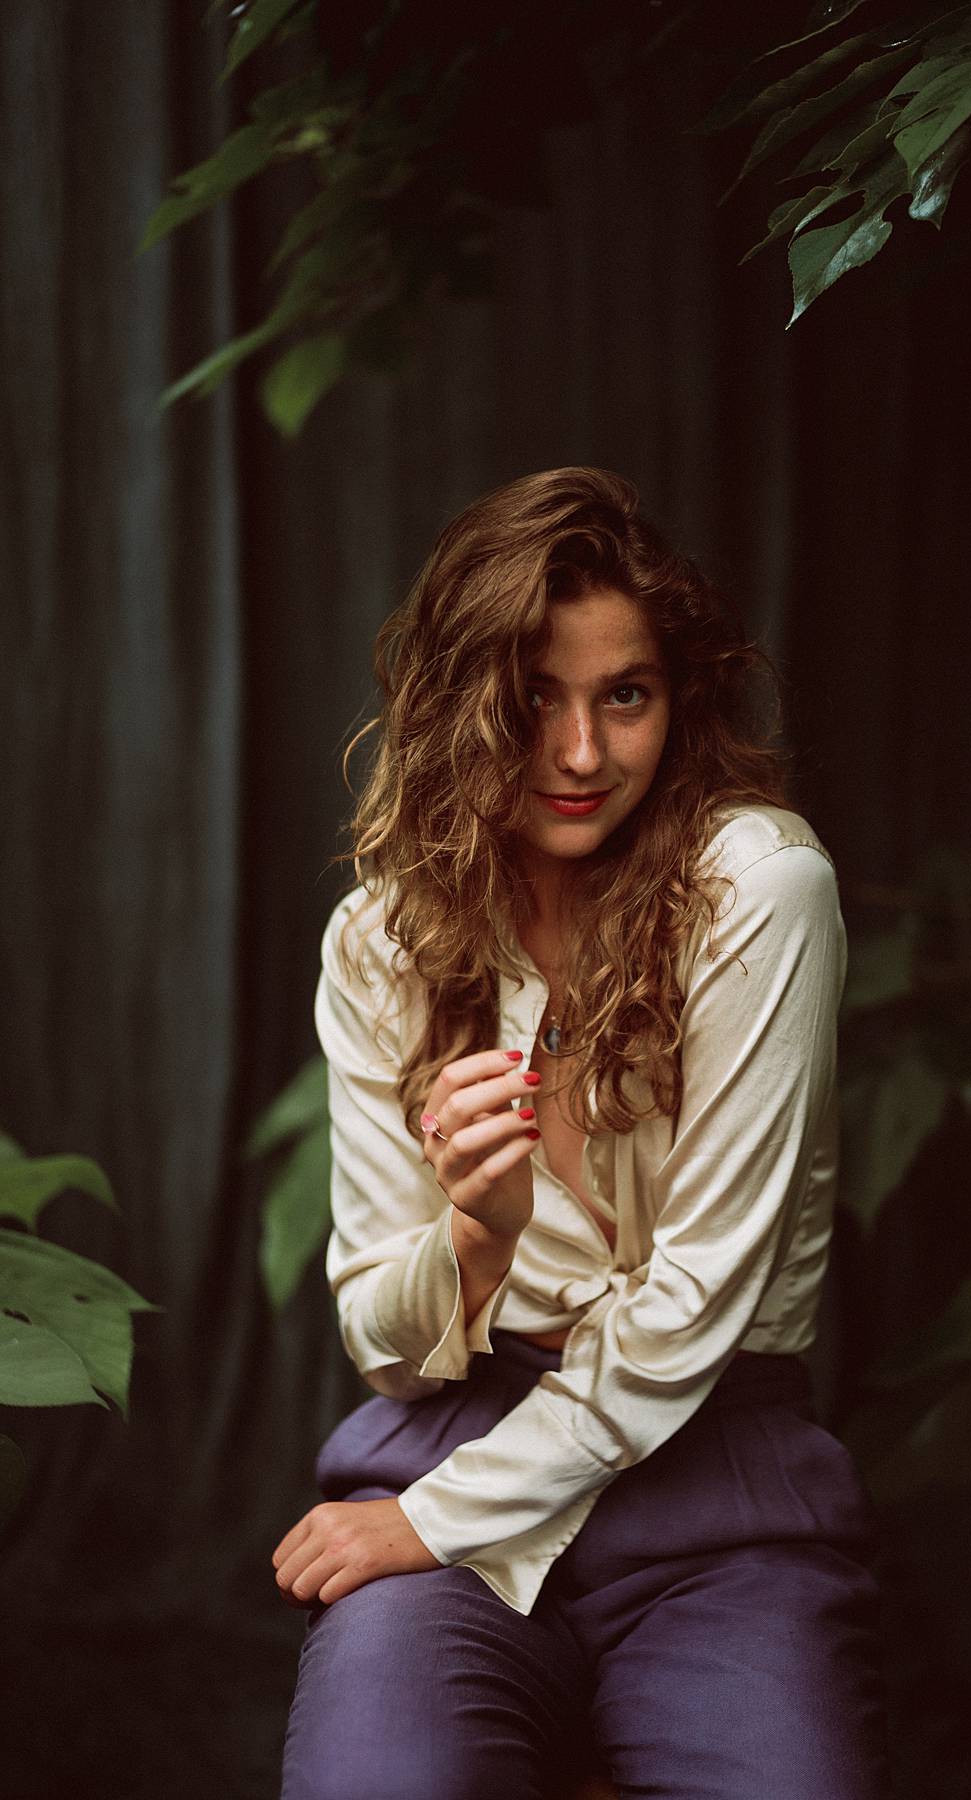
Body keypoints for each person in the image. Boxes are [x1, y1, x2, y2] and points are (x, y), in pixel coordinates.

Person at [274, 467, 891, 1799]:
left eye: (626, 693)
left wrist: (426, 1526)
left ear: (682, 697)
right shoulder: (381, 942)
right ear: (461, 705)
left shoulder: (758, 894)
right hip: (452, 1427)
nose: (580, 753)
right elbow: (384, 1350)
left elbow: (688, 1314)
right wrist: (474, 1240)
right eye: (531, 697)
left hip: (718, 1491)